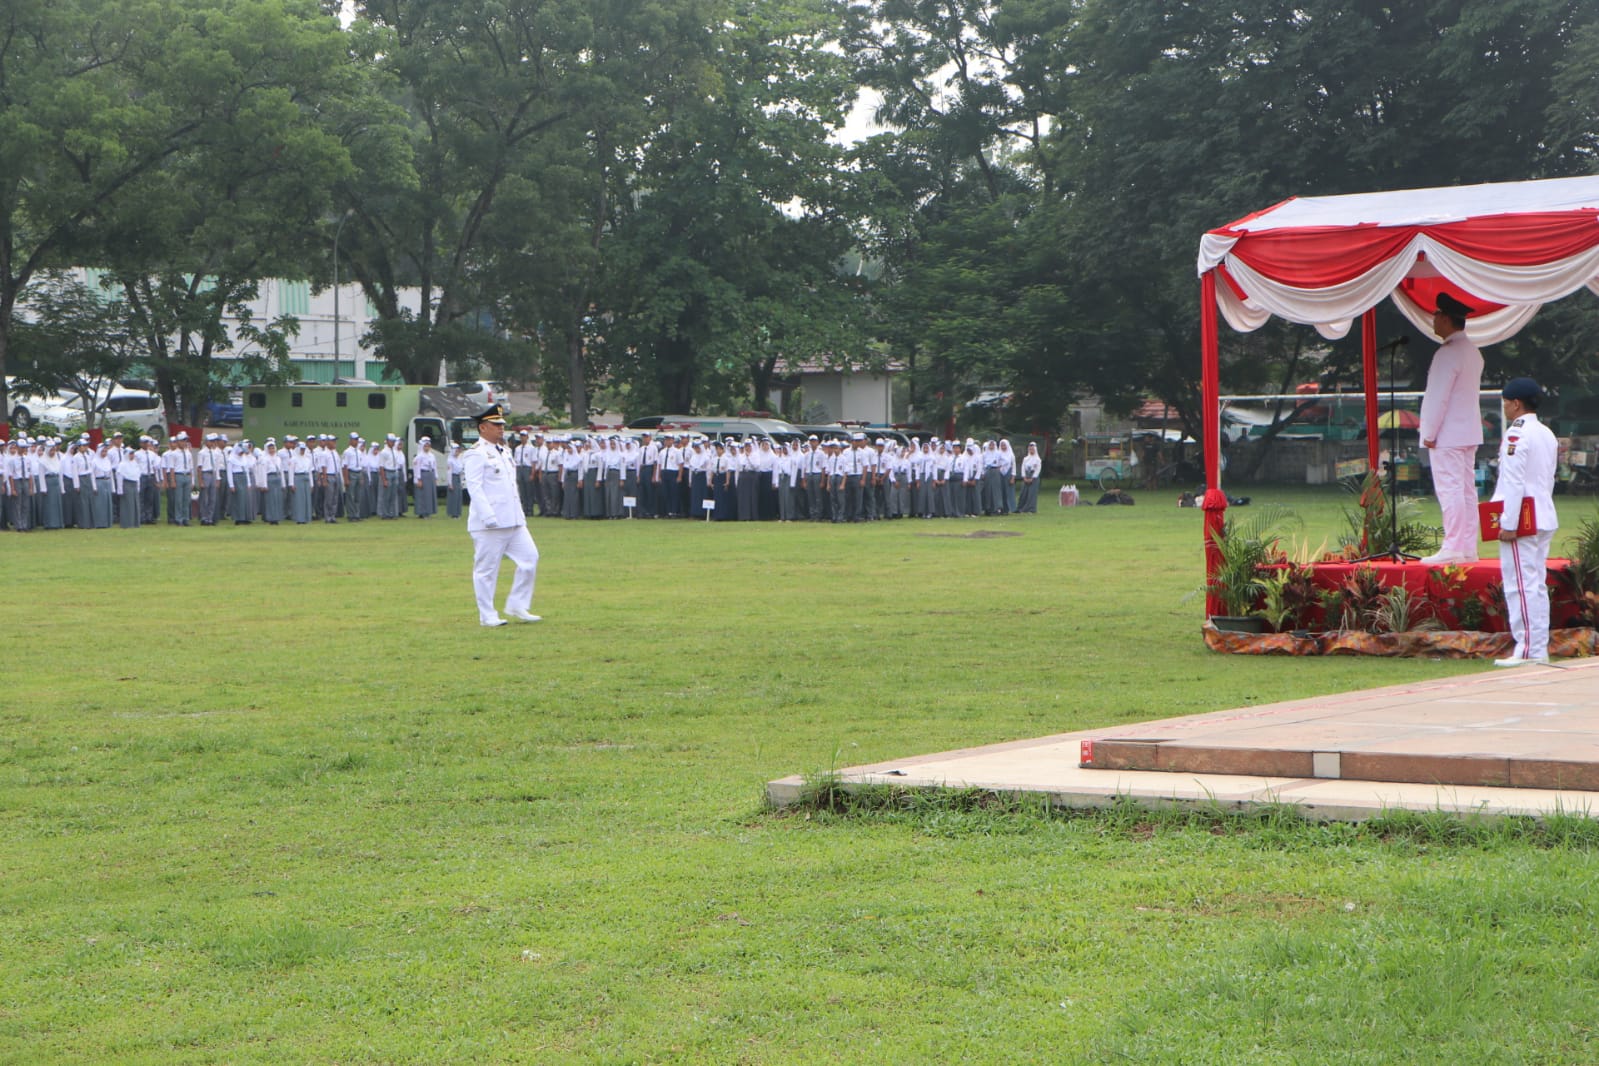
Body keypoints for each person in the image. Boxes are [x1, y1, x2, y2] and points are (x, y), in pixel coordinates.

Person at [1491, 377, 1558, 667]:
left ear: (1516, 403)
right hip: (1543, 512)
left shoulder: (1516, 434)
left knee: (1520, 584)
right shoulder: (1546, 432)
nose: (1505, 408)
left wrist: (1509, 521)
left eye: (1506, 403)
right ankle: (1537, 645)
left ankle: (1528, 648)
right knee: (1535, 583)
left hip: (1522, 519)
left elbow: (1513, 480)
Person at [1419, 291, 1485, 565]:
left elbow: (1437, 398)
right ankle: (1467, 545)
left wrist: (1429, 433)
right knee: (1467, 490)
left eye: (1436, 315)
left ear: (1446, 319)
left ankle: (1454, 545)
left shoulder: (1447, 353)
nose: (1434, 320)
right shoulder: (1472, 351)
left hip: (1448, 433)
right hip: (1467, 431)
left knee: (1451, 489)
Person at [463, 404, 540, 627]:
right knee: (486, 570)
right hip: (490, 524)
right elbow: (474, 488)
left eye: (501, 425)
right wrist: (488, 516)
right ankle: (487, 615)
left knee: (529, 559)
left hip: (513, 520)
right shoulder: (476, 454)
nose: (501, 429)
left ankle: (518, 604)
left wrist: (519, 516)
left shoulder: (504, 451)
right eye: (496, 425)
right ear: (483, 427)